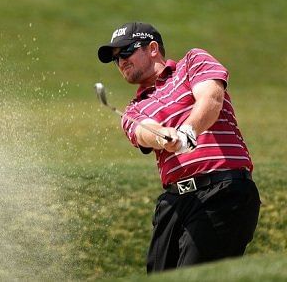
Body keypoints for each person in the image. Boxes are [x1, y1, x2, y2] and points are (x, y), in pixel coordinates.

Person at [97, 22, 261, 273]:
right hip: (174, 202)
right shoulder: (133, 109)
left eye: (126, 51)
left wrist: (188, 131)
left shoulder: (193, 62)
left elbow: (211, 99)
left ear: (152, 48)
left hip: (223, 191)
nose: (121, 62)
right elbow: (143, 131)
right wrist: (162, 136)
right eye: (116, 59)